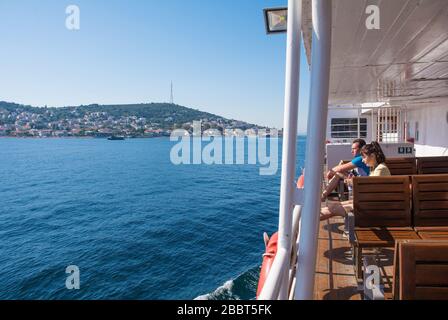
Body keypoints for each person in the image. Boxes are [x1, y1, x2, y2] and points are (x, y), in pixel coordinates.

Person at [320, 141, 391, 221]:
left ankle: (307, 221)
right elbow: (369, 189)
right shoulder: (376, 168)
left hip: (371, 209)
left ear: (372, 156)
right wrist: (352, 181)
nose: (363, 160)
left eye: (364, 157)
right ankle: (308, 219)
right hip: (369, 204)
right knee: (333, 206)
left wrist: (352, 182)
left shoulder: (380, 169)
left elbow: (369, 190)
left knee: (333, 209)